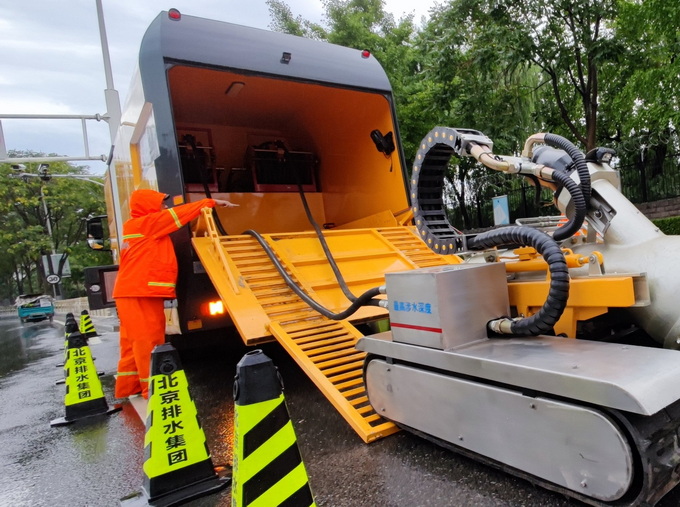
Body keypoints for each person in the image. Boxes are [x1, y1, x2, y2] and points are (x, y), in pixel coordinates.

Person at [113, 189, 237, 399]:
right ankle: (152, 388)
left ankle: (129, 384)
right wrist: (211, 202)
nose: (165, 208)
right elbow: (179, 215)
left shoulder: (136, 227)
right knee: (148, 341)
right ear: (148, 207)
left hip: (132, 292)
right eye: (161, 204)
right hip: (140, 292)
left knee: (132, 341)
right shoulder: (147, 224)